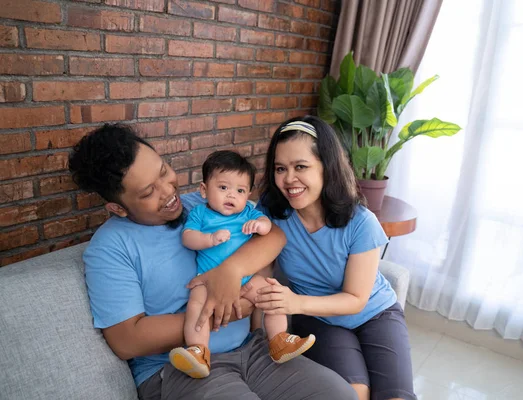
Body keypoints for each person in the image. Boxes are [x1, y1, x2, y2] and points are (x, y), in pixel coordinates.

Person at [68, 124, 357, 400]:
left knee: (339, 394)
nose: (168, 191)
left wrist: (231, 271)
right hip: (175, 367)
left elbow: (274, 236)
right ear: (118, 207)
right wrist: (228, 309)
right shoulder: (110, 248)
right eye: (147, 192)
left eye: (164, 171)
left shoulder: (204, 203)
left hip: (251, 349)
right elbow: (126, 340)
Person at [254, 116, 417, 400]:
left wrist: (295, 302)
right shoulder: (272, 214)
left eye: (300, 167)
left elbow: (356, 298)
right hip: (321, 321)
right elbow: (259, 274)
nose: (288, 179)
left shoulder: (361, 222)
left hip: (376, 314)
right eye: (280, 168)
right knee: (352, 395)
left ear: (326, 168)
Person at [169, 150, 315, 379]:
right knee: (197, 307)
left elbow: (267, 226)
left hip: (246, 279)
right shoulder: (200, 213)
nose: (232, 196)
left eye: (240, 191)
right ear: (204, 190)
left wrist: (260, 226)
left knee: (272, 294)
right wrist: (209, 239)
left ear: (247, 195)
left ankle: (278, 340)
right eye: (223, 188)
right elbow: (187, 237)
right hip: (208, 280)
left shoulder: (248, 212)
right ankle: (198, 351)